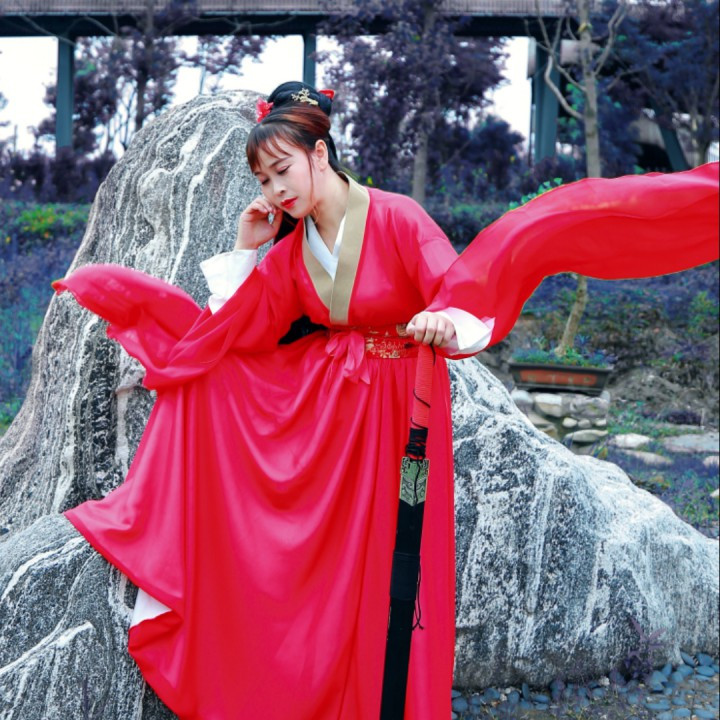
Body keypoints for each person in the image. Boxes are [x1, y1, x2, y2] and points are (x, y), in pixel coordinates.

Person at [52, 81, 718, 720]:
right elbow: (239, 334)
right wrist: (247, 251)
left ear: (319, 153)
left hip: (401, 409)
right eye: (264, 180)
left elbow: (456, 287)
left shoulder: (398, 217)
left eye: (283, 170)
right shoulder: (290, 252)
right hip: (330, 417)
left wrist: (443, 321)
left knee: (392, 573)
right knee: (316, 560)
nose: (276, 190)